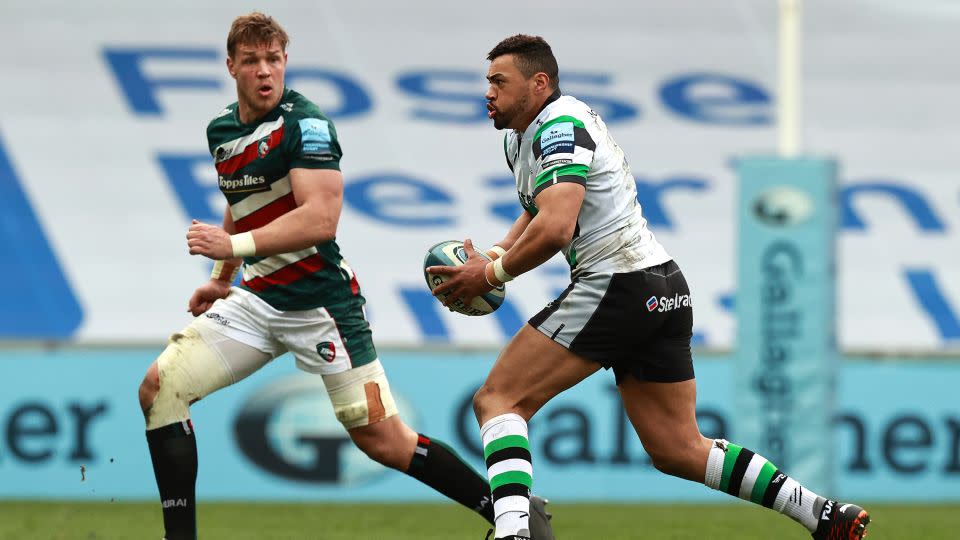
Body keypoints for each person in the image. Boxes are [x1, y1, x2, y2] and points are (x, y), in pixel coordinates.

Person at [429, 34, 870, 540]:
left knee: (498, 400)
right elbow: (537, 207)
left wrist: (487, 275)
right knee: (678, 448)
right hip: (663, 287)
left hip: (618, 283)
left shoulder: (559, 125)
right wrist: (501, 251)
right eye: (488, 82)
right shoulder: (520, 138)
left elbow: (554, 229)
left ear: (539, 82)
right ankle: (821, 513)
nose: (488, 93)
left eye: (498, 82)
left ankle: (512, 534)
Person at [136, 14, 554, 540]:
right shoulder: (222, 130)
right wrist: (224, 278)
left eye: (274, 59)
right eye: (252, 61)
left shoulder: (306, 126)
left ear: (285, 62)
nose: (265, 71)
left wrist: (234, 247)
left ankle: (507, 512)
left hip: (322, 307)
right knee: (159, 388)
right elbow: (241, 202)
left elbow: (320, 219)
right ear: (231, 67)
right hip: (258, 300)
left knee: (384, 441)